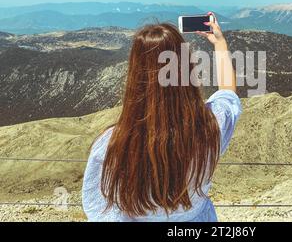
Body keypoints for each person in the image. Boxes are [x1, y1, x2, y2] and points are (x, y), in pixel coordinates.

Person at [82, 12, 241, 221]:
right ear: (187, 70)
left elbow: (99, 209)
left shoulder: (112, 144)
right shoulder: (212, 126)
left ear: (135, 76)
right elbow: (228, 94)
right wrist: (220, 43)